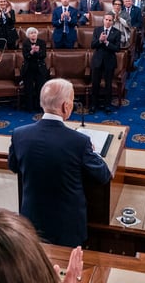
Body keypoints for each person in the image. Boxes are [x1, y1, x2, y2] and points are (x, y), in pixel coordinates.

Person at [8, 78, 112, 246]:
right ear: (66, 106)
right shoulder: (79, 142)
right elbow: (103, 175)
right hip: (67, 227)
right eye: (71, 101)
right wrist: (91, 152)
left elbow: (13, 166)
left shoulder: (19, 134)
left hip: (30, 222)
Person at [90, 13, 121, 114]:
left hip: (109, 61)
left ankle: (107, 106)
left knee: (108, 85)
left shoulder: (117, 32)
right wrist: (100, 40)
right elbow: (93, 45)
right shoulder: (97, 30)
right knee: (95, 84)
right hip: (97, 61)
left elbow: (117, 48)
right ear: (103, 20)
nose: (107, 22)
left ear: (113, 21)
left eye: (110, 20)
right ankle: (93, 105)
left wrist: (107, 42)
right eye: (106, 20)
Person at [20, 27, 49, 112]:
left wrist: (38, 52)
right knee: (28, 88)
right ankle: (29, 107)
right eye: (31, 33)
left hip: (39, 67)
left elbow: (43, 55)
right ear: (28, 35)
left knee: (40, 88)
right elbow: (26, 56)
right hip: (28, 68)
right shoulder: (25, 43)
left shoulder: (42, 42)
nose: (33, 35)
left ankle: (39, 107)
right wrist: (31, 52)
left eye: (35, 33)